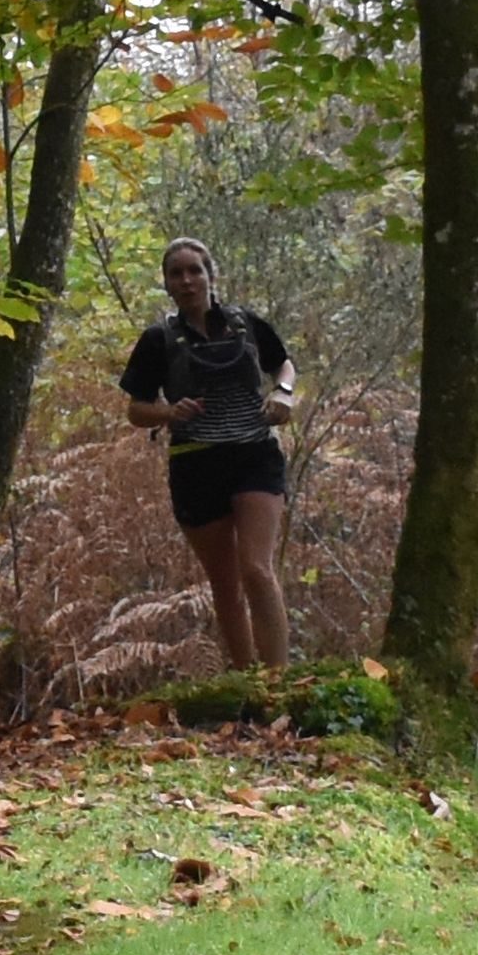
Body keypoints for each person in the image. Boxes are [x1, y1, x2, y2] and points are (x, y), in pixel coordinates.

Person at [118, 237, 296, 670]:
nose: (187, 280)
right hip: (195, 464)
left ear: (211, 276)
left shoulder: (246, 323)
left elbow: (283, 363)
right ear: (166, 284)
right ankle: (246, 680)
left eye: (194, 270)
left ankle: (279, 681)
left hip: (254, 455)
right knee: (225, 583)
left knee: (256, 569)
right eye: (176, 273)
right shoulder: (158, 339)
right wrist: (168, 411)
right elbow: (136, 410)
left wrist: (284, 393)